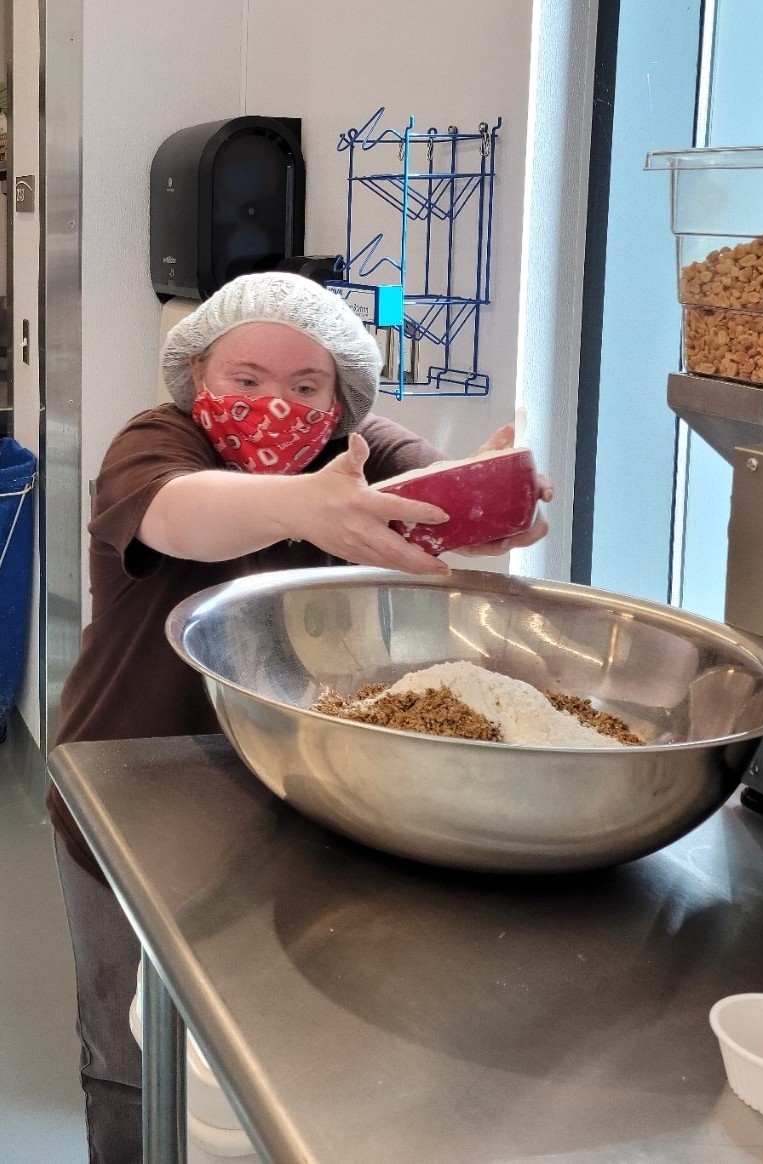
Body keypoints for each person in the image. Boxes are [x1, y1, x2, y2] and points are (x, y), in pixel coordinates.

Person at [47, 270, 552, 1163]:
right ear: (198, 375)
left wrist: (488, 502)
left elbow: (427, 487)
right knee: (130, 1049)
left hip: (292, 797)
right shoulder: (157, 441)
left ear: (339, 398)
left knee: (250, 1050)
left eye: (305, 385)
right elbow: (178, 517)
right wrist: (301, 507)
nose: (275, 404)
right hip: (128, 791)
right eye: (245, 379)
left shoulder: (353, 449)